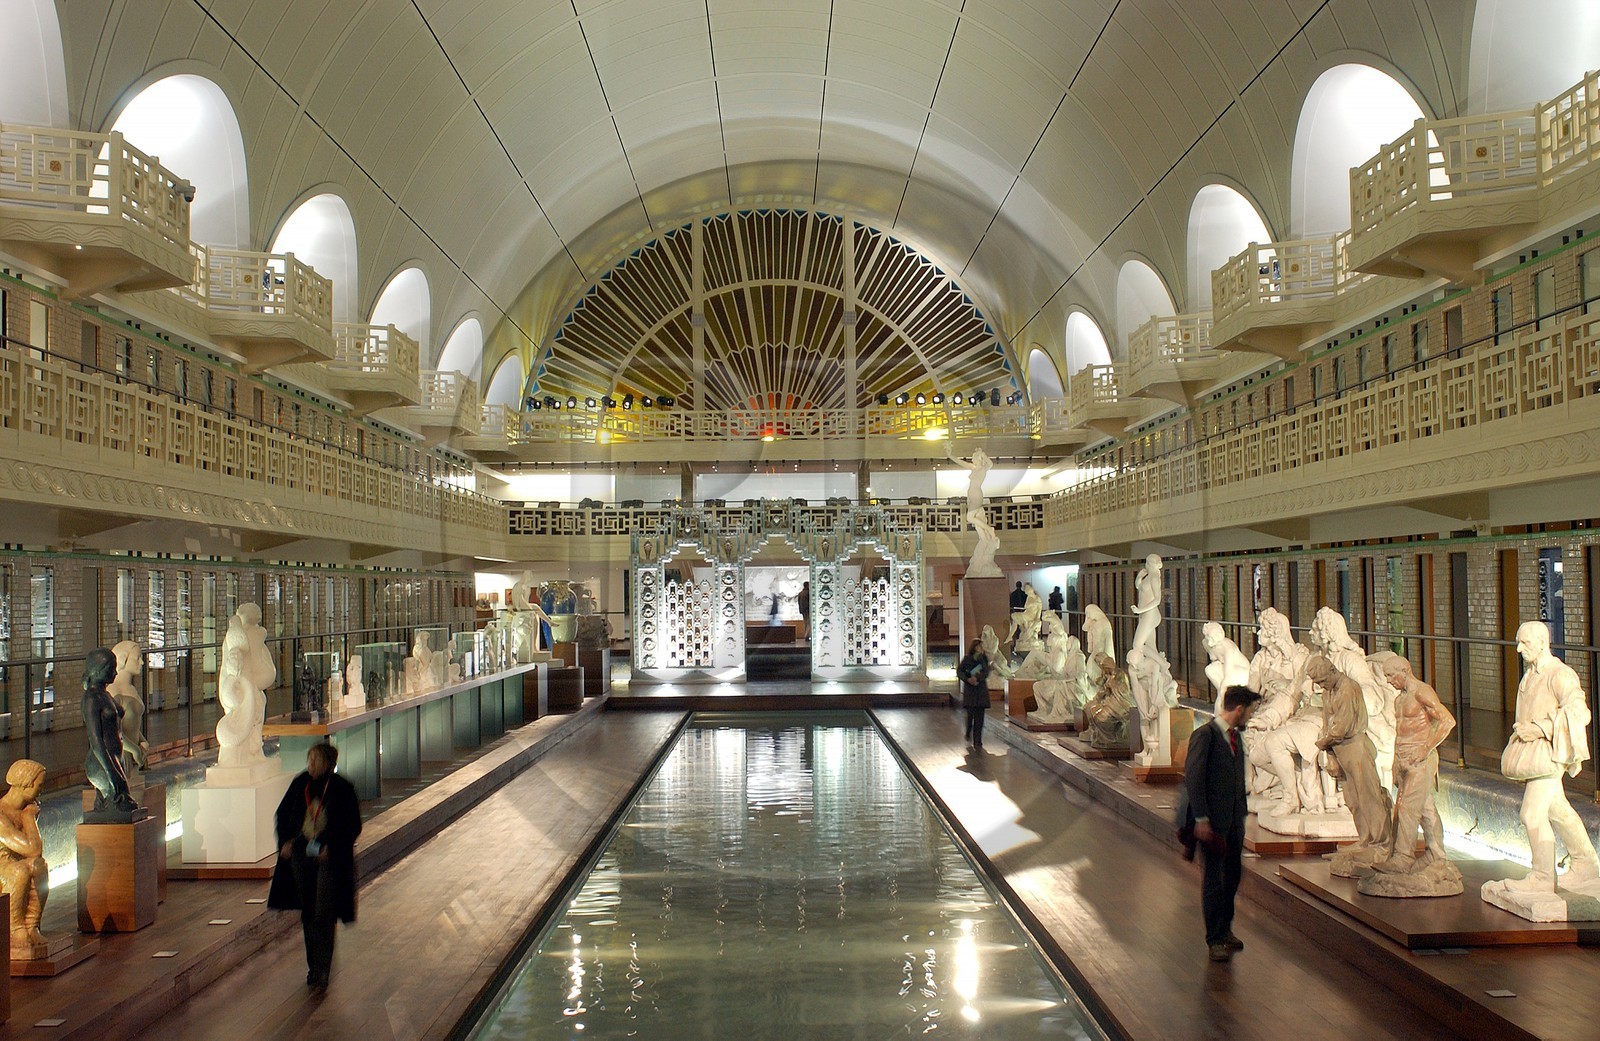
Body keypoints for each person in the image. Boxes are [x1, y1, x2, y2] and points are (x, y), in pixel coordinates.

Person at [1488, 621, 1599, 893]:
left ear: (1541, 642)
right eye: (1518, 642)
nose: (1518, 648)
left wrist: (1540, 728)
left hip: (1548, 755)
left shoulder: (1560, 674)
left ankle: (1542, 877)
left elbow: (1579, 712)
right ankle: (1587, 866)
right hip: (1536, 754)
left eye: (1524, 643)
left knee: (1531, 813)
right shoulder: (1530, 676)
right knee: (1557, 809)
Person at [269, 742, 363, 990]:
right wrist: (285, 842)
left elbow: (352, 824)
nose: (310, 765)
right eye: (309, 760)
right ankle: (313, 966)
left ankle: (323, 967)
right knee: (308, 909)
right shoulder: (301, 784)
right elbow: (283, 815)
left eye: (315, 761)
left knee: (324, 910)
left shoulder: (341, 788)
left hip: (328, 857)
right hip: (302, 853)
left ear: (328, 764)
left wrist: (331, 846)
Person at [1185, 684, 1262, 963]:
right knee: (1214, 880)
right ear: (1238, 709)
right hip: (1213, 823)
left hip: (1233, 821)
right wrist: (1201, 818)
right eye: (1250, 711)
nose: (1250, 717)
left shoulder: (1235, 738)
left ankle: (1226, 929)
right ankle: (1214, 938)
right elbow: (1193, 778)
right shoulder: (1204, 736)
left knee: (1232, 877)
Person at [958, 639, 992, 751]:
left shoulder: (983, 659)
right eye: (979, 647)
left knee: (980, 718)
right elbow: (960, 671)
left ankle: (978, 741)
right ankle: (968, 731)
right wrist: (968, 679)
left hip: (980, 690)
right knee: (970, 716)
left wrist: (977, 678)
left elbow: (986, 671)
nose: (981, 649)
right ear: (974, 647)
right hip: (971, 691)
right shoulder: (967, 659)